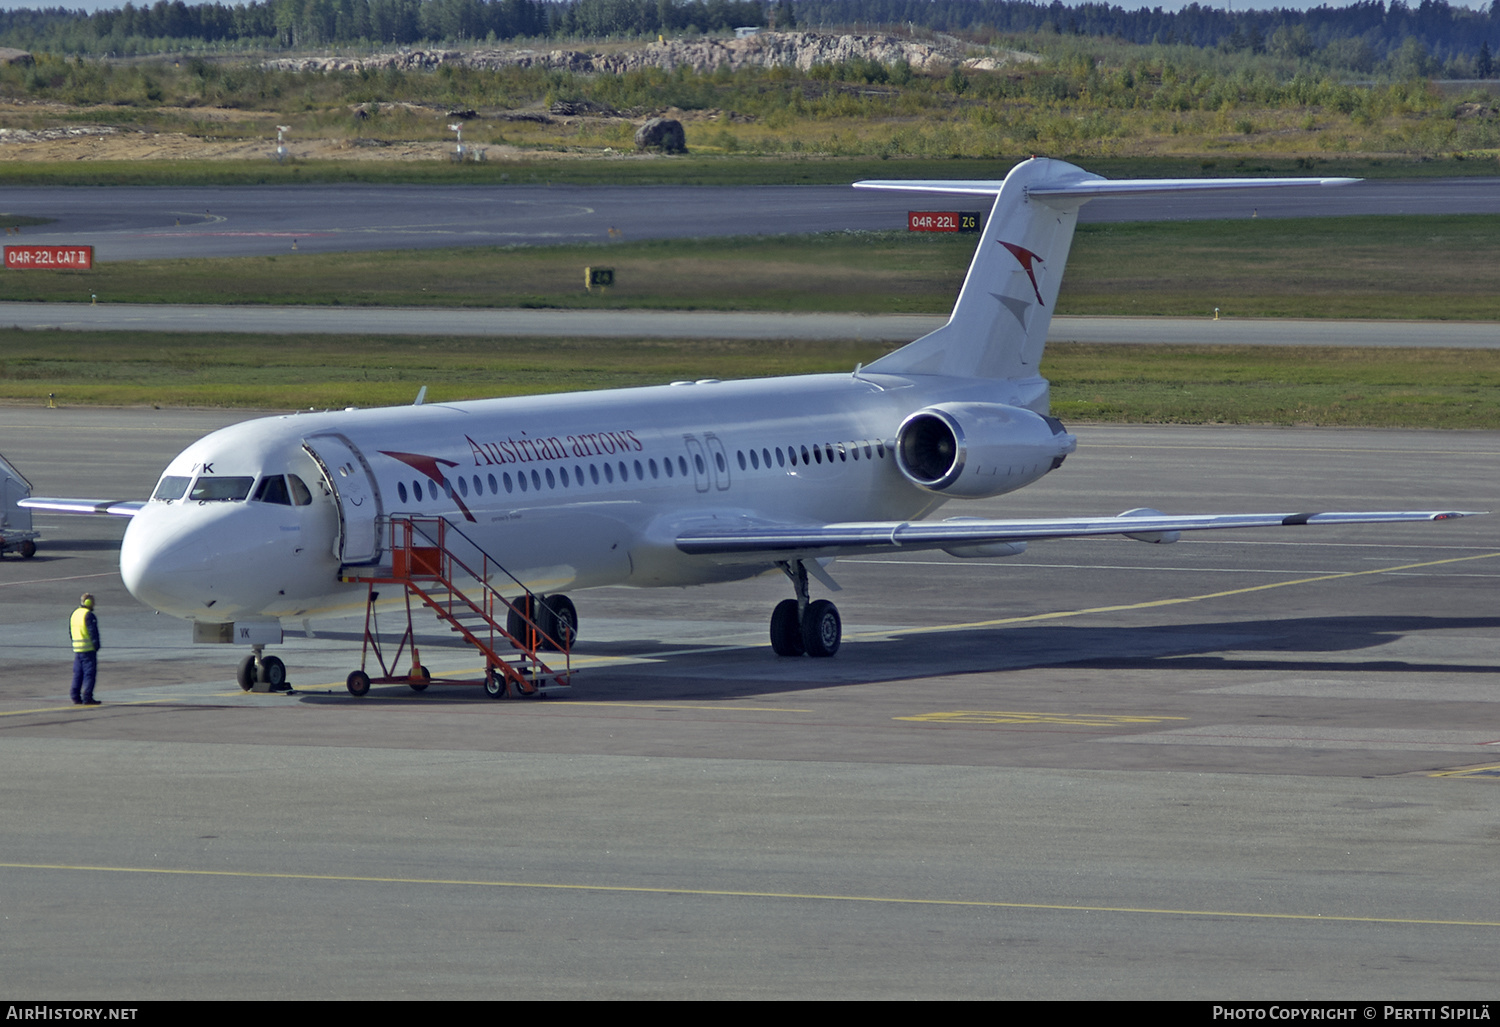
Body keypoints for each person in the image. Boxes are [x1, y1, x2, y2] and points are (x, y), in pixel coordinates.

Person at [69, 593, 101, 706]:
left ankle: (75, 696)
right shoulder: (88, 615)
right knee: (89, 673)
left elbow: (70, 632)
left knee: (78, 673)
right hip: (88, 650)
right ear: (89, 603)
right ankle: (87, 697)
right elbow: (93, 632)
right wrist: (96, 646)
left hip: (77, 649)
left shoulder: (75, 614)